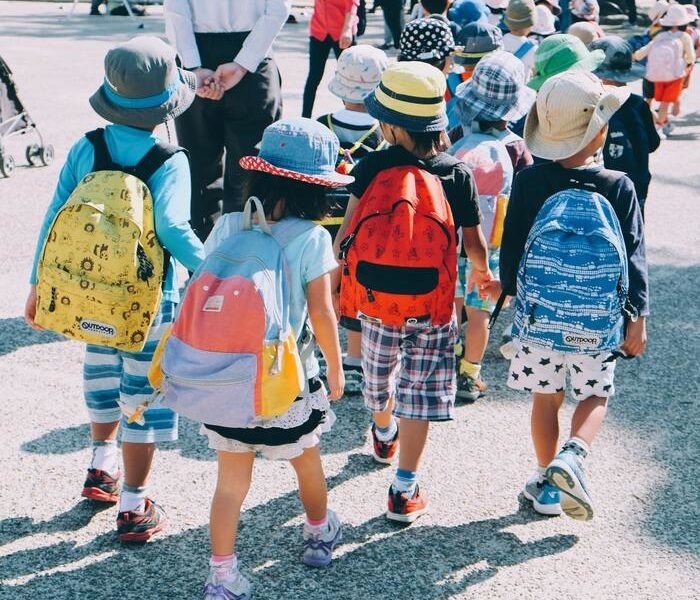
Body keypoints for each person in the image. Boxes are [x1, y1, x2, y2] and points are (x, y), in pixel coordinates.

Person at [24, 37, 205, 542]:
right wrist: (211, 269)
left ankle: (101, 469)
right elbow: (172, 229)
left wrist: (39, 283)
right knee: (141, 394)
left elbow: (55, 216)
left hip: (85, 293)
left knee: (102, 380)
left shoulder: (88, 146)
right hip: (146, 303)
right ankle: (133, 503)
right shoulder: (169, 159)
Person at [334, 62, 491, 522]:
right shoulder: (456, 173)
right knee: (419, 393)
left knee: (378, 376)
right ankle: (404, 488)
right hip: (433, 304)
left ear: (386, 122)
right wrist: (482, 273)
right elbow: (474, 242)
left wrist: (338, 279)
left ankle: (382, 429)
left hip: (377, 302)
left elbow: (346, 234)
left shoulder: (371, 167)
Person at [198, 118, 347, 599]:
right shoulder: (312, 238)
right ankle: (319, 535)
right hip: (286, 383)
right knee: (306, 462)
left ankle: (222, 577)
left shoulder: (226, 225)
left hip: (225, 381)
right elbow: (323, 313)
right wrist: (337, 366)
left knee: (230, 484)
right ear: (317, 189)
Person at [497, 71, 648, 519]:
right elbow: (634, 256)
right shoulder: (619, 185)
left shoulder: (529, 182)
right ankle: (574, 455)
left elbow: (512, 255)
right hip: (597, 323)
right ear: (600, 130)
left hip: (541, 320)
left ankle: (546, 485)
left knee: (546, 400)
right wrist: (636, 316)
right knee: (595, 396)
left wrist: (511, 297)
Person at [449, 51, 535, 401]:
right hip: (492, 244)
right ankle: (470, 374)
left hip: (452, 241)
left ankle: (443, 363)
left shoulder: (456, 134)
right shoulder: (516, 147)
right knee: (479, 312)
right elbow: (525, 196)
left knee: (450, 305)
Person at [164, 0, 289, 240]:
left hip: (197, 47)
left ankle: (203, 260)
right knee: (251, 168)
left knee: (198, 169)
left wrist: (193, 66)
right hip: (254, 51)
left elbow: (175, 11)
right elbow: (278, 9)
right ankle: (242, 257)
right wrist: (244, 63)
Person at [316, 44, 389, 394]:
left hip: (319, 225)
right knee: (358, 294)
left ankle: (319, 353)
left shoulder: (321, 127)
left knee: (323, 291)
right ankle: (355, 360)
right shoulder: (384, 135)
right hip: (363, 227)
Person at [591, 36, 660, 217]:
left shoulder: (594, 106)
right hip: (636, 184)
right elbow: (653, 143)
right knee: (633, 232)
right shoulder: (638, 104)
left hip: (601, 187)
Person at [633, 3, 696, 134]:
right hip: (675, 76)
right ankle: (659, 127)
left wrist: (635, 56)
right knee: (665, 104)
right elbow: (691, 58)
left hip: (656, 75)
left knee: (653, 100)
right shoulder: (684, 37)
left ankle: (656, 123)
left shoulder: (660, 36)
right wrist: (685, 62)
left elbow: (644, 51)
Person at [302, 0, 360, 118]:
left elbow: (352, 3)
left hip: (343, 31)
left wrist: (348, 28)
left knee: (350, 78)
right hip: (319, 29)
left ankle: (353, 117)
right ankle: (305, 118)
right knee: (314, 76)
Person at [503, 0, 538, 75]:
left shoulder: (499, 42)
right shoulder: (532, 50)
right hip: (520, 86)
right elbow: (536, 74)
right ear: (531, 23)